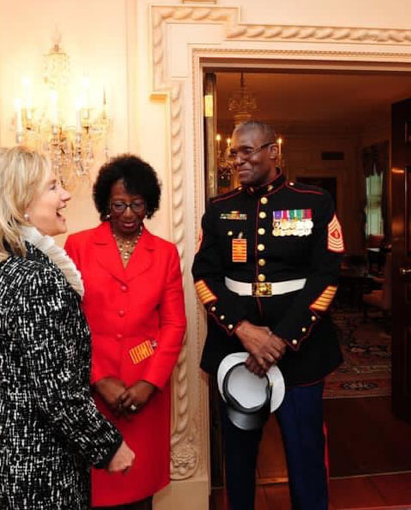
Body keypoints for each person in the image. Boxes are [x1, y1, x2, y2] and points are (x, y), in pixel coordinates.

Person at [0, 147, 134, 510]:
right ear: (21, 202)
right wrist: (109, 446)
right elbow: (57, 391)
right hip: (36, 467)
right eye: (53, 187)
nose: (66, 195)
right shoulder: (36, 278)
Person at [193, 120, 344, 510]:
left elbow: (326, 276)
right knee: (239, 459)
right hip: (236, 352)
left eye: (248, 151)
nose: (237, 160)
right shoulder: (219, 210)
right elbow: (205, 277)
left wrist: (281, 339)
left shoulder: (315, 201)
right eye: (234, 153)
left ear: (273, 152)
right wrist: (244, 331)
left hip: (301, 352)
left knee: (305, 454)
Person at [65, 155, 187, 510]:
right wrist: (98, 378)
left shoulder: (164, 254)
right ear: (106, 203)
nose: (129, 213)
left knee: (138, 490)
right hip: (93, 389)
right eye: (119, 204)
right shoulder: (78, 246)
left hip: (145, 392)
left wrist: (149, 383)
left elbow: (174, 324)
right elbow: (69, 322)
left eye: (137, 204)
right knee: (95, 486)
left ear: (149, 204)